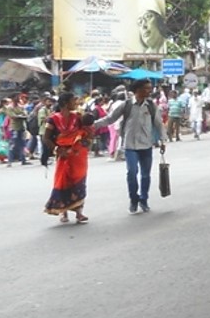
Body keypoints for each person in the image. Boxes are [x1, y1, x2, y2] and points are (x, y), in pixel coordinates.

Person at [95, 78, 165, 214]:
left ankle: (144, 200)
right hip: (130, 145)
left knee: (146, 175)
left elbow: (159, 123)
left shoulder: (151, 106)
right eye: (146, 88)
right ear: (138, 90)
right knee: (132, 173)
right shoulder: (126, 105)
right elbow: (110, 119)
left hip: (146, 145)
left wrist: (162, 140)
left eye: (150, 88)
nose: (149, 91)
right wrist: (93, 124)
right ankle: (134, 199)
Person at [42, 93, 93, 224]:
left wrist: (85, 143)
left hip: (78, 155)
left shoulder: (78, 117)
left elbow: (87, 132)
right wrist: (57, 149)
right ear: (65, 103)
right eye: (73, 101)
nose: (75, 103)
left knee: (79, 181)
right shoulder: (52, 119)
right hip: (63, 154)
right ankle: (63, 211)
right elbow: (46, 138)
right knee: (63, 181)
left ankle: (79, 213)